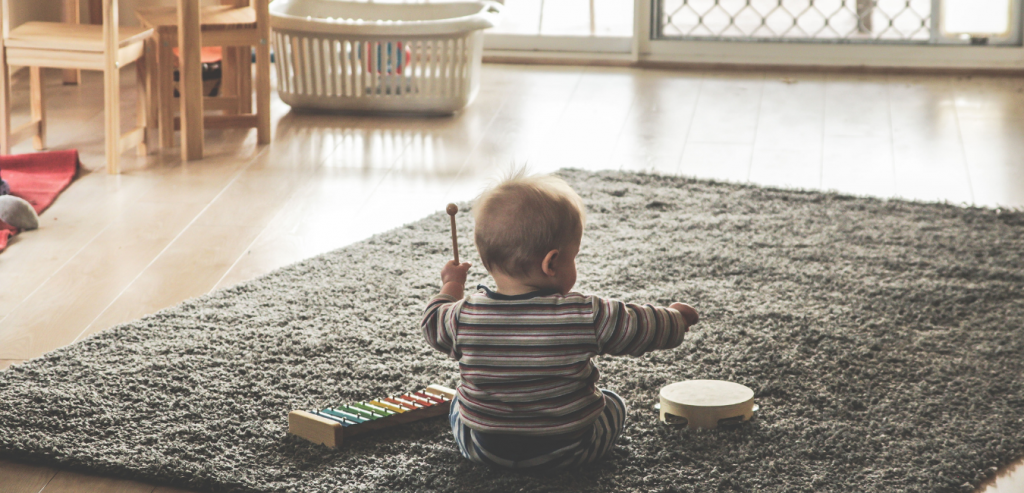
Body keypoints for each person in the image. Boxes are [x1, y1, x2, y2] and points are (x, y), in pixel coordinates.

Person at [421, 169, 699, 471]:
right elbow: (640, 325)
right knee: (614, 403)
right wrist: (676, 319)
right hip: (569, 450)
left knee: (457, 405)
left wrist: (452, 285)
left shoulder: (462, 317)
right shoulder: (584, 314)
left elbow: (432, 322)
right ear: (551, 262)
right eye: (574, 256)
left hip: (487, 450)